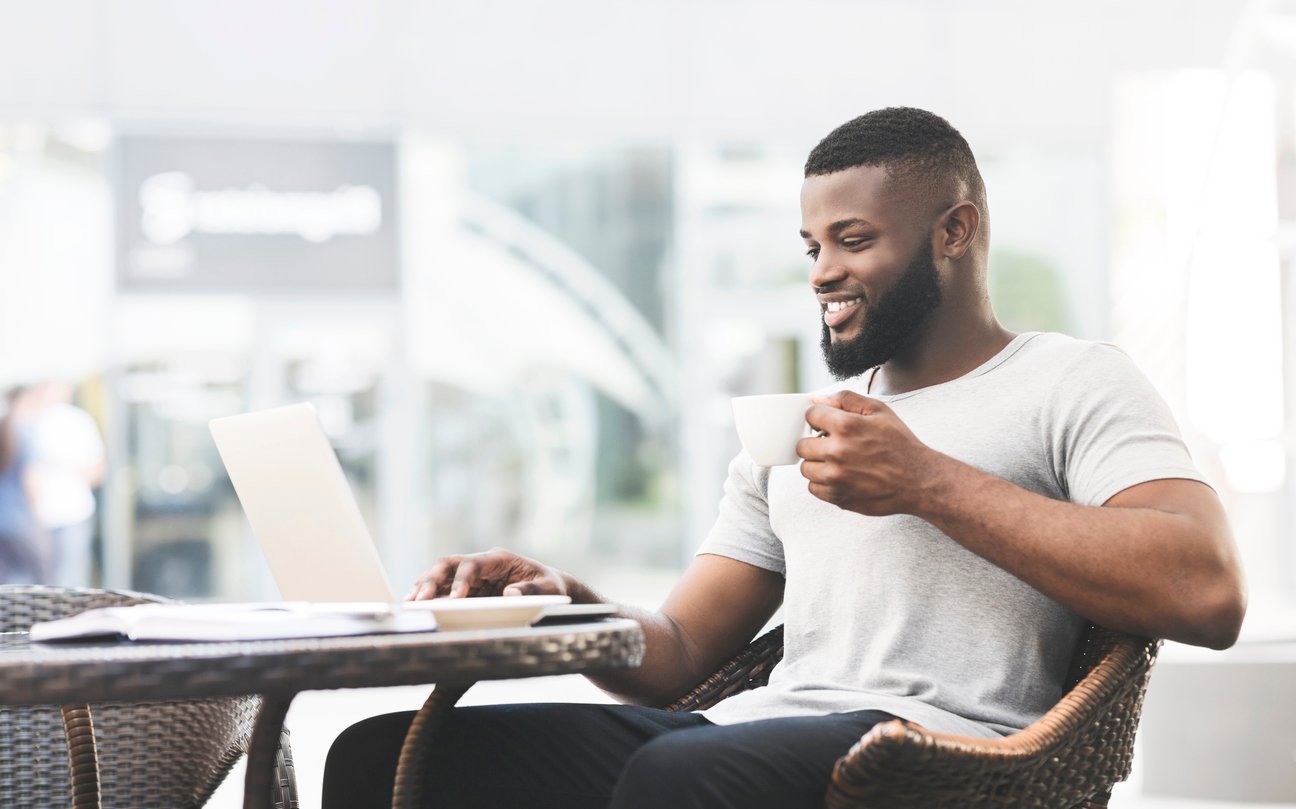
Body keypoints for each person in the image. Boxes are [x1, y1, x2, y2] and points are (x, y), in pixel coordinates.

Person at [323, 107, 1247, 809]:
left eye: (853, 240)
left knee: (680, 767)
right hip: (748, 729)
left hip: (940, 746)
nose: (820, 272)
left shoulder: (1070, 380)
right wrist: (563, 598)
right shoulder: (797, 428)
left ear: (954, 231)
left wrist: (927, 482)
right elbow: (680, 655)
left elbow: (1206, 591)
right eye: (812, 246)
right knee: (378, 755)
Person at [28, 381, 106, 586]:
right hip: (39, 517)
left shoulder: (77, 421)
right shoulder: (32, 420)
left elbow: (97, 471)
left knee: (66, 583)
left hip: (71, 514)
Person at [0, 386, 47, 584]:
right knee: (44, 582)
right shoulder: (25, 435)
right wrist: (39, 518)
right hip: (20, 521)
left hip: (4, 520)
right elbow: (31, 481)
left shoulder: (6, 433)